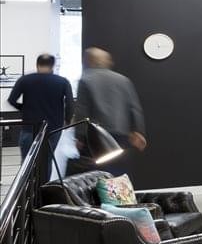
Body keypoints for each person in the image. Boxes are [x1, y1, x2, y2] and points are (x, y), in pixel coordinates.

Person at [75, 47, 146, 176]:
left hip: (95, 135)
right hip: (121, 133)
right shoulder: (123, 80)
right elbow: (134, 108)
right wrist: (138, 131)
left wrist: (79, 136)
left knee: (95, 173)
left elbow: (82, 111)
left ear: (88, 61)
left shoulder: (85, 80)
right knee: (118, 171)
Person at [6, 53, 73, 180]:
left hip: (29, 127)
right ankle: (43, 188)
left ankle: (26, 188)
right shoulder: (62, 82)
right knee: (46, 161)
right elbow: (70, 104)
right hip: (53, 129)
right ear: (52, 66)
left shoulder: (25, 80)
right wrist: (67, 120)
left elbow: (11, 100)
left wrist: (24, 109)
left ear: (37, 64)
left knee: (27, 162)